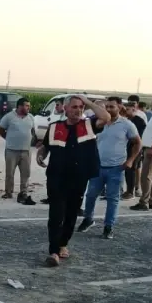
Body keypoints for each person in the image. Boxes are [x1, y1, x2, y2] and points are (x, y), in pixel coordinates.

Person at [36, 94, 109, 267]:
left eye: (81, 107)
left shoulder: (89, 125)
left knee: (70, 214)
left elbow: (105, 117)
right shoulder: (54, 127)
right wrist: (41, 155)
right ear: (66, 109)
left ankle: (63, 244)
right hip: (56, 177)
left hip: (78, 177)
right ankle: (53, 251)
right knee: (56, 215)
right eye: (74, 107)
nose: (78, 110)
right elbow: (46, 146)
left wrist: (88, 102)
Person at [78, 97, 141, 239]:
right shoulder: (98, 123)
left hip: (116, 168)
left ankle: (108, 226)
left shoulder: (127, 125)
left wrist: (130, 160)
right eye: (106, 107)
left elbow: (137, 142)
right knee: (90, 195)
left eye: (112, 106)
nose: (108, 109)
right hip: (97, 166)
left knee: (113, 199)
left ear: (119, 107)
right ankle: (88, 219)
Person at [0, 98, 37, 204]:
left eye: (29, 106)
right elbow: (1, 130)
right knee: (10, 173)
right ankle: (8, 192)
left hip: (26, 151)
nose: (28, 108)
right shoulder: (9, 117)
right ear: (19, 106)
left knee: (26, 173)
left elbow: (33, 131)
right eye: (26, 106)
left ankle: (23, 192)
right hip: (12, 150)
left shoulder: (31, 118)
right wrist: (10, 139)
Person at [122, 102, 147, 200]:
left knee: (131, 170)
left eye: (128, 109)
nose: (126, 111)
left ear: (134, 110)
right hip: (125, 148)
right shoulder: (124, 120)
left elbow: (139, 137)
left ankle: (130, 191)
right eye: (125, 109)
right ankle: (128, 190)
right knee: (127, 171)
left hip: (134, 148)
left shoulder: (139, 121)